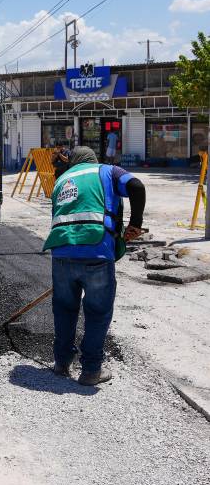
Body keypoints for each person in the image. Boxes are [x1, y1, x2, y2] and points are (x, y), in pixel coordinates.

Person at [43, 146, 145, 386]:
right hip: (97, 249)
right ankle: (90, 370)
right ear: (92, 159)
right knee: (98, 312)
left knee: (64, 309)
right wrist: (136, 224)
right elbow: (137, 186)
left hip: (61, 252)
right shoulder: (108, 171)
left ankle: (62, 363)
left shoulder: (61, 181)